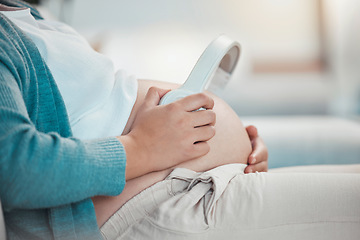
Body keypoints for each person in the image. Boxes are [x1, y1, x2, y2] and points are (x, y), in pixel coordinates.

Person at [1, 1, 360, 240]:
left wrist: (229, 138)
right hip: (158, 203)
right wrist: (142, 148)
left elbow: (99, 108)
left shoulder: (25, 14)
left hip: (194, 179)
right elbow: (18, 167)